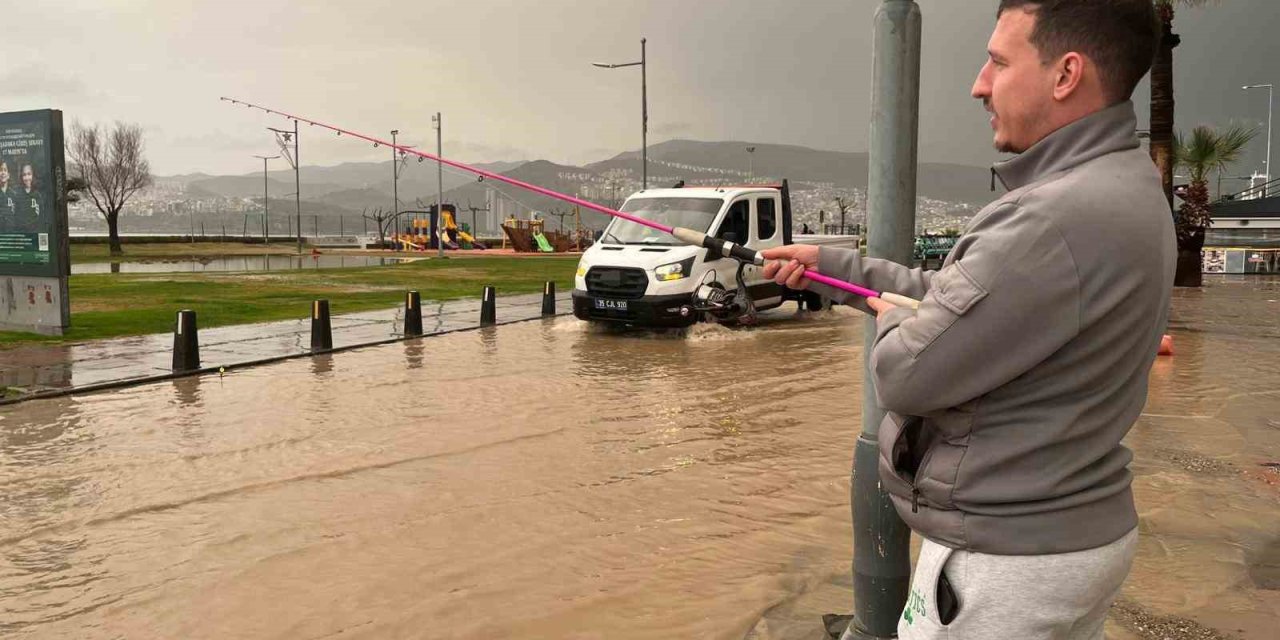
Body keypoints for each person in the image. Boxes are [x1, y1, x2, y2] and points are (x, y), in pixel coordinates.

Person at [763, 2, 1173, 638]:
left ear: (1066, 74)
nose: (979, 84)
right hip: (1071, 538)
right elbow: (960, 302)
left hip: (1003, 564)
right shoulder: (1126, 185)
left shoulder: (1046, 220)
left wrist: (893, 325)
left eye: (999, 62)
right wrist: (837, 270)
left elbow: (904, 374)